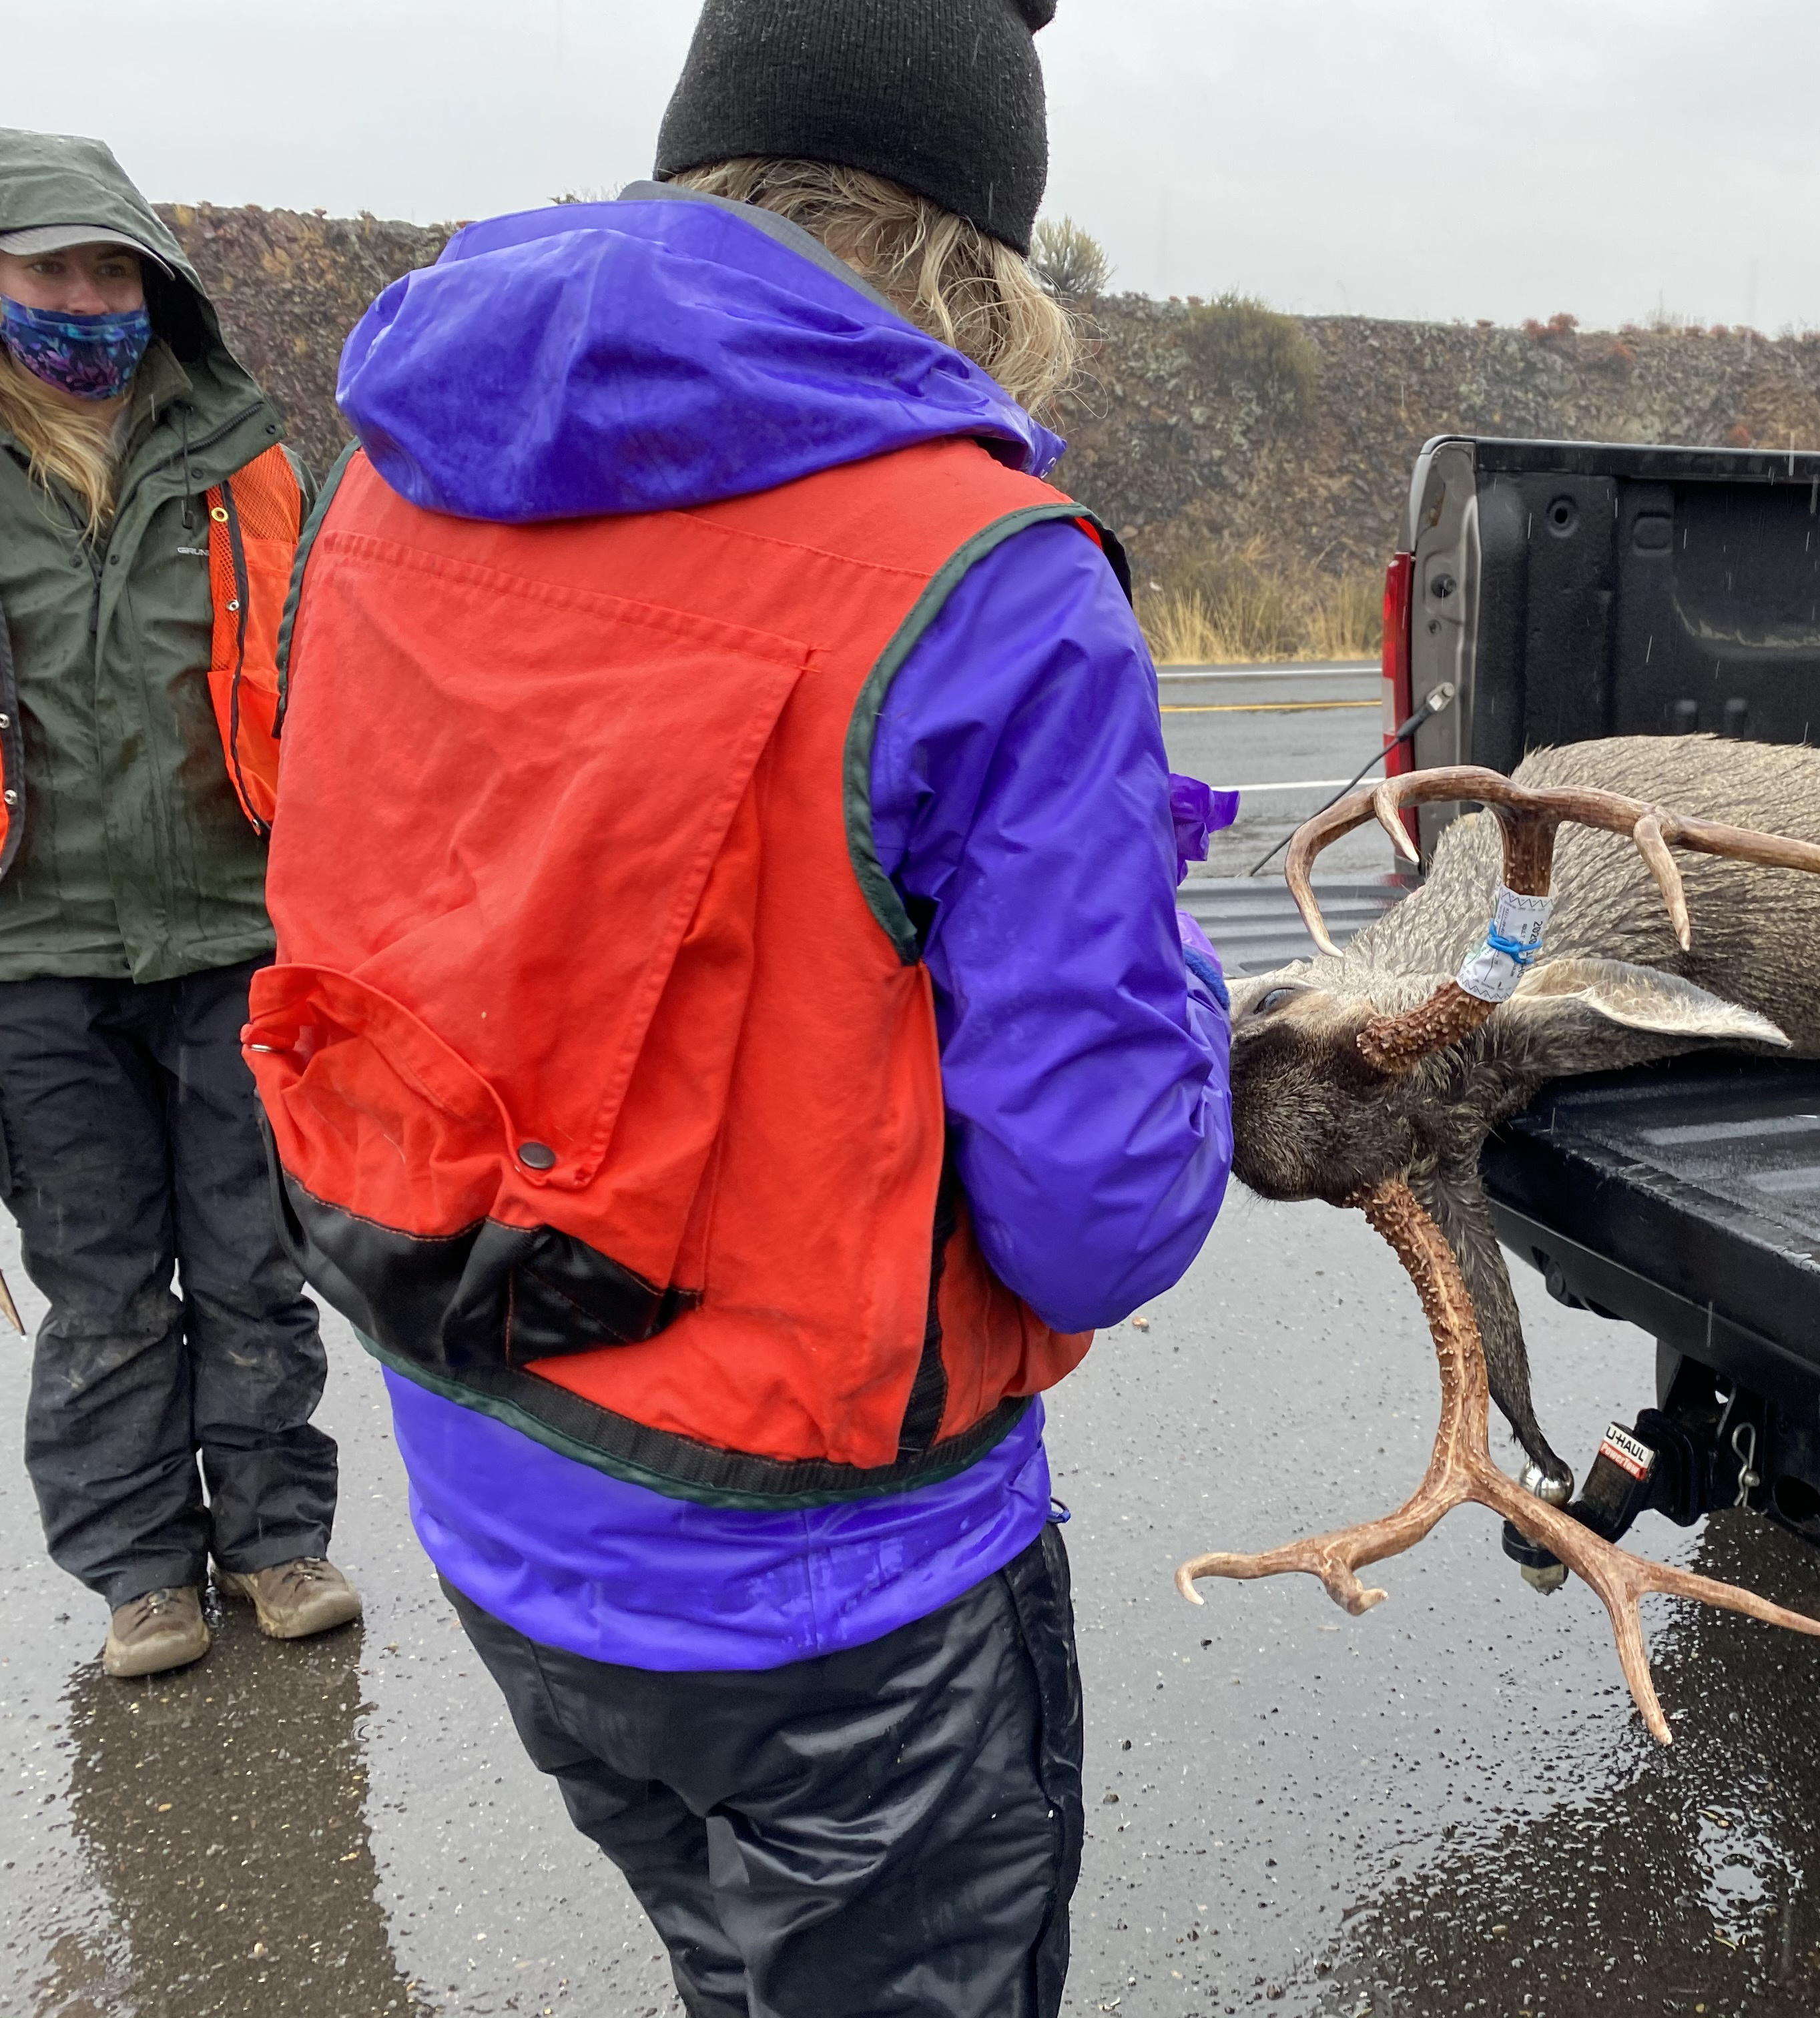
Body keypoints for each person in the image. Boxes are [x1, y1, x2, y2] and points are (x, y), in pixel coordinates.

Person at [254, 1, 1233, 2011]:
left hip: (491, 1477)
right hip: (828, 1593)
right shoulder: (988, 574)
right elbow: (1102, 1211)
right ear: (974, 254)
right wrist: (1181, 997)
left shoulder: (389, 473)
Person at [0, 130, 358, 1680]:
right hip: (33, 957)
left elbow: (339, 691)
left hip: (232, 937)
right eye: (51, 269)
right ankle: (142, 1573)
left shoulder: (252, 457)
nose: (88, 298)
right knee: (98, 1289)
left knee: (251, 1264)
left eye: (113, 269)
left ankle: (277, 1543)